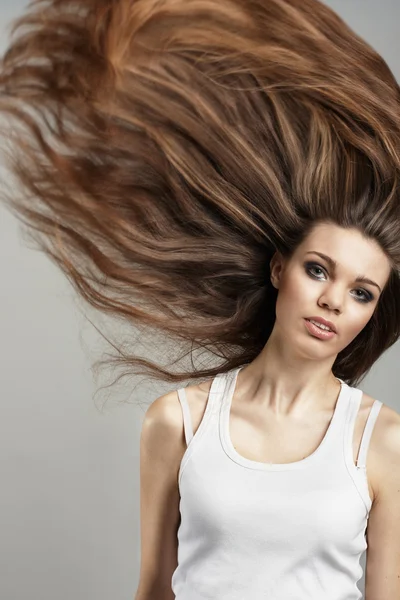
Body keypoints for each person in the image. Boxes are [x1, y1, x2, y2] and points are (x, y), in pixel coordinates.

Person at [0, 0, 399, 598]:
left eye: (361, 292)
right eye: (319, 270)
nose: (334, 302)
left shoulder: (382, 442)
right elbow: (153, 589)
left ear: (372, 311)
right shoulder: (178, 423)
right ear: (277, 268)